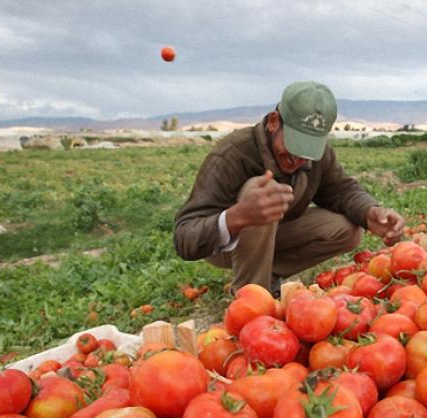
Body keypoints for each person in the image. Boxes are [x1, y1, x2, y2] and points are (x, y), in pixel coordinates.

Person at [173, 81, 405, 296]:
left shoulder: (316, 155)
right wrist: (238, 216)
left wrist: (370, 212)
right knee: (262, 190)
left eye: (307, 150)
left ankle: (269, 275)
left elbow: (341, 190)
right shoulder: (232, 154)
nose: (298, 159)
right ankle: (251, 298)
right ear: (274, 122)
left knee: (346, 230)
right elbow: (185, 237)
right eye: (294, 145)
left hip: (277, 234)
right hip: (225, 243)